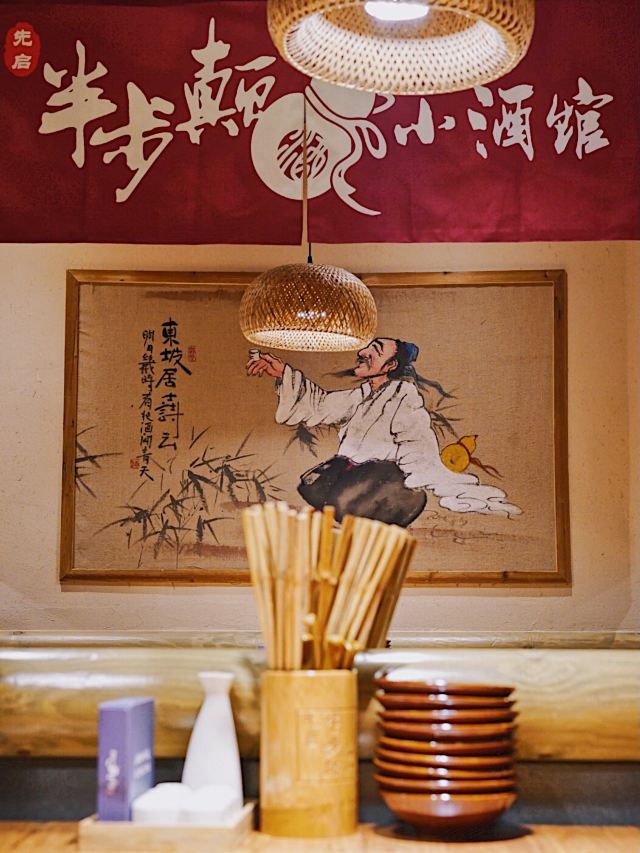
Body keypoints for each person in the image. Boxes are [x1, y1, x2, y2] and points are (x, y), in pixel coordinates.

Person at [246, 338, 520, 526]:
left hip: (384, 478)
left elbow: (418, 442)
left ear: (390, 366)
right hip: (350, 471)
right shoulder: (362, 394)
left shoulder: (404, 396)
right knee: (312, 487)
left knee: (344, 503)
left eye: (375, 350)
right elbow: (320, 405)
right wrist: (282, 372)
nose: (364, 352)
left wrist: (422, 475)